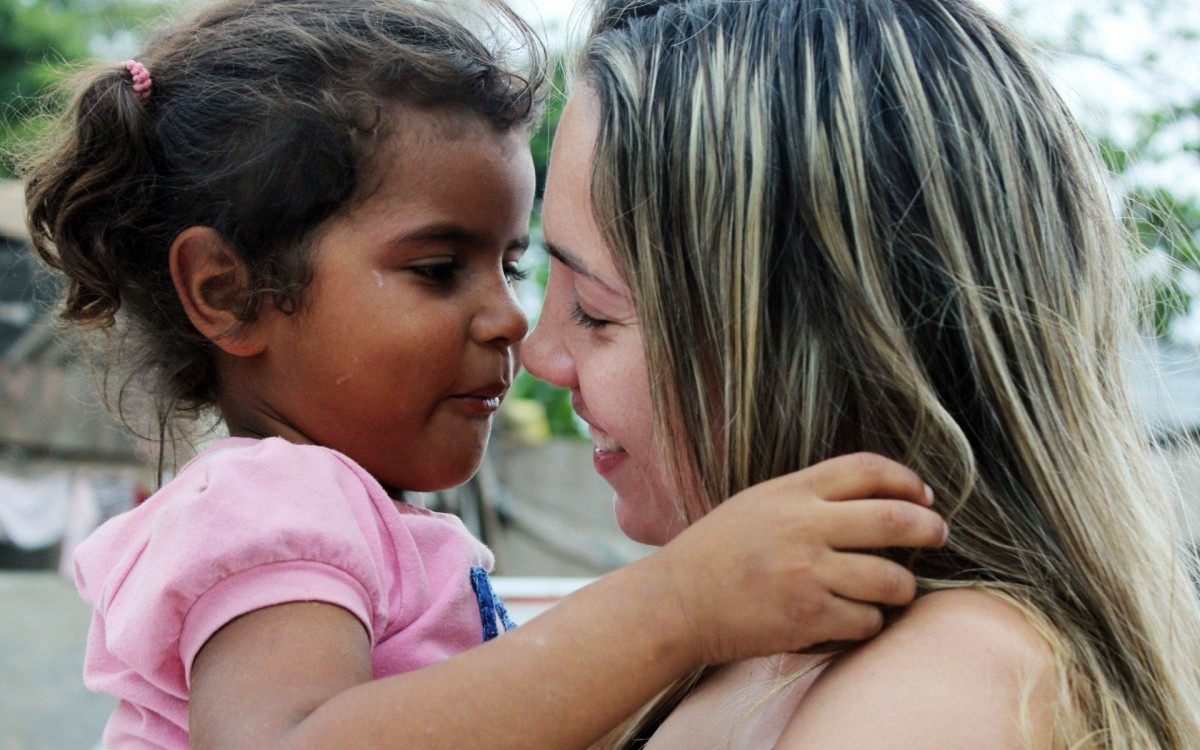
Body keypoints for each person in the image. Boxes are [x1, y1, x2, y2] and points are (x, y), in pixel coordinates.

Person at [21, 0, 951, 747]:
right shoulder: (275, 505)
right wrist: (677, 608)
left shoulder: (355, 520)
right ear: (228, 293)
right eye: (436, 269)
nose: (511, 318)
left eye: (510, 263)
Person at [522, 0, 1200, 747]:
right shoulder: (741, 648)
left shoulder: (941, 684)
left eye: (594, 310)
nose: (540, 355)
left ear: (804, 343)